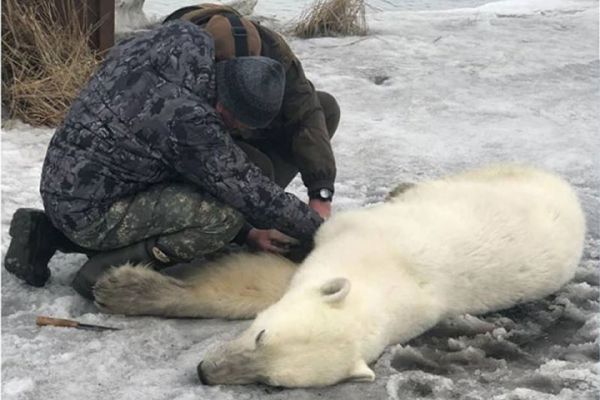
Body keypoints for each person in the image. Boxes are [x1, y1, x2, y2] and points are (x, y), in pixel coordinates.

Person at [3, 20, 329, 300]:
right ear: (224, 106)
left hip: (67, 179)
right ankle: (107, 272)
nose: (235, 130)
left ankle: (47, 232)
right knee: (223, 217)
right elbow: (256, 198)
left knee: (192, 181)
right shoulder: (188, 120)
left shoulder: (184, 37)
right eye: (236, 122)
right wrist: (327, 236)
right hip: (90, 211)